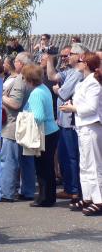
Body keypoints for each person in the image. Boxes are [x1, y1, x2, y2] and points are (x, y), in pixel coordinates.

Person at [60, 52, 102, 215]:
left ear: (86, 64)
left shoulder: (93, 83)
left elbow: (91, 108)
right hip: (83, 127)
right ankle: (88, 197)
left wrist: (73, 108)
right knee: (84, 165)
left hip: (91, 126)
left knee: (94, 165)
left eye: (80, 61)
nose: (77, 63)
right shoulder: (85, 82)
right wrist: (72, 103)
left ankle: (99, 200)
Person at [46, 43, 87, 200]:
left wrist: (57, 90)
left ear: (78, 56)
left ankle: (74, 189)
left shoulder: (77, 74)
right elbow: (52, 77)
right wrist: (50, 59)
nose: (67, 58)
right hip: (63, 120)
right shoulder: (69, 71)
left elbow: (63, 93)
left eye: (71, 54)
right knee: (64, 155)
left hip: (70, 122)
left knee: (70, 156)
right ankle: (70, 187)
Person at [22, 64, 60, 207]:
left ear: (29, 79)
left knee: (42, 167)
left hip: (44, 133)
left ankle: (44, 198)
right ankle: (50, 196)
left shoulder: (36, 93)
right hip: (52, 131)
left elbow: (38, 116)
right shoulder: (44, 88)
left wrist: (26, 116)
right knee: (48, 166)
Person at [0, 52, 35, 202]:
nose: (14, 63)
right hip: (27, 123)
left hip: (13, 124)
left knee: (9, 160)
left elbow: (15, 103)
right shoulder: (32, 79)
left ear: (20, 63)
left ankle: (7, 193)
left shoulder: (20, 79)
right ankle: (28, 191)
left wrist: (0, 95)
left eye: (16, 61)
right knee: (26, 160)